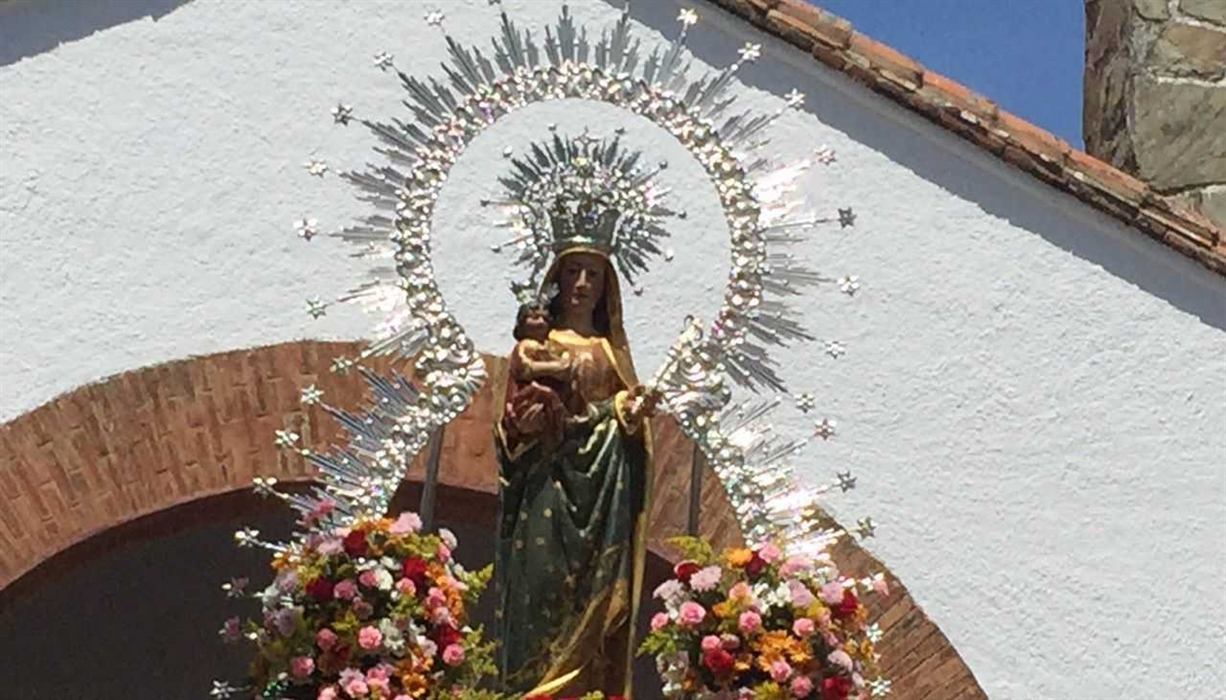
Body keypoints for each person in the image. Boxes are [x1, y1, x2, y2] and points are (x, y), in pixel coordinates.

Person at [494, 249, 660, 697]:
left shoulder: (610, 351)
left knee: (597, 608)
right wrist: (521, 430)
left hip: (603, 497)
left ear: (607, 287)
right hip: (546, 490)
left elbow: (623, 416)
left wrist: (630, 409)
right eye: (572, 272)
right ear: (556, 281)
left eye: (594, 274)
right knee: (538, 601)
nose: (583, 283)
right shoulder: (536, 345)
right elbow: (508, 429)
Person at [505, 302, 577, 449]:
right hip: (527, 394)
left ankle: (559, 430)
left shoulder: (552, 346)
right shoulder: (525, 345)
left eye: (544, 318)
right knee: (547, 394)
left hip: (550, 399)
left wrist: (557, 368)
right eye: (534, 317)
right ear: (522, 323)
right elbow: (525, 369)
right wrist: (553, 368)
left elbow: (567, 368)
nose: (541, 322)